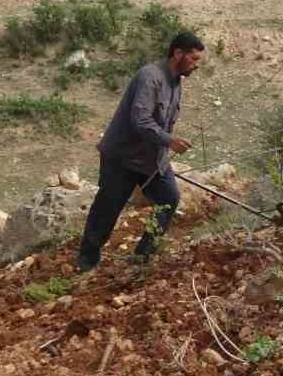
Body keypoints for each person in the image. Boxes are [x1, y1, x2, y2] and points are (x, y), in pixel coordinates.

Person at [76, 32, 205, 272]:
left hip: (152, 158)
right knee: (107, 209)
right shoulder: (150, 77)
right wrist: (170, 141)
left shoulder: (176, 82)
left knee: (168, 199)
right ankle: (86, 262)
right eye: (194, 59)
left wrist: (168, 143)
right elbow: (141, 120)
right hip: (123, 157)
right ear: (178, 53)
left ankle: (142, 259)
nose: (196, 65)